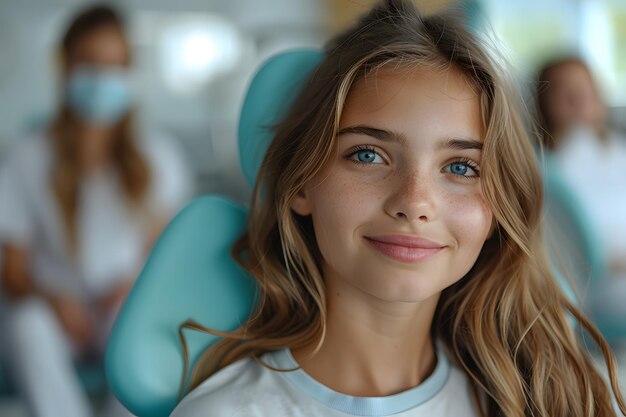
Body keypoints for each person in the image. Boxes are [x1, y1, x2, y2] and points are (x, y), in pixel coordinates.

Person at [172, 1, 625, 416]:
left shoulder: (543, 399)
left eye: (462, 167)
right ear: (302, 183)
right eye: (368, 154)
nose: (414, 202)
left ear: (496, 214)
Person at [0, 4, 193, 417]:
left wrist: (129, 290)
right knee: (26, 324)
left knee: (138, 319)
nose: (104, 79)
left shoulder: (158, 158)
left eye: (115, 65)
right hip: (56, 317)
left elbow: (167, 257)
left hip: (121, 307)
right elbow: (12, 271)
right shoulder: (26, 157)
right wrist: (54, 301)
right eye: (91, 63)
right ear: (65, 66)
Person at [537, 57, 626, 279]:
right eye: (564, 90)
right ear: (544, 102)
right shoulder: (549, 167)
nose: (578, 98)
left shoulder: (615, 148)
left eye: (584, 88)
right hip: (600, 278)